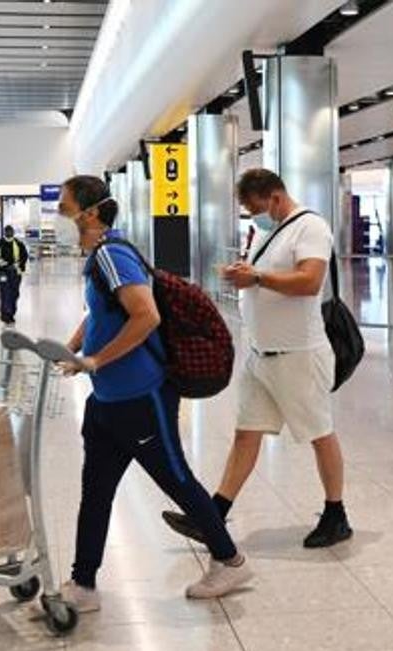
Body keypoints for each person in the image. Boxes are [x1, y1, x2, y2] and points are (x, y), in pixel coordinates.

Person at [57, 175, 253, 611]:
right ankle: (83, 584)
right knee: (96, 490)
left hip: (141, 398)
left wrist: (97, 361)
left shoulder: (112, 254)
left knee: (176, 480)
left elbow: (146, 317)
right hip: (107, 402)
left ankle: (230, 560)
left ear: (89, 213)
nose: (60, 216)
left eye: (65, 207)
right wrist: (71, 349)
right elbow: (100, 312)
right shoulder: (100, 258)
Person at [161, 168, 352, 549]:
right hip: (260, 353)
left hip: (299, 354)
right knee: (246, 433)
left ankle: (336, 514)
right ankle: (213, 514)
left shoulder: (310, 227)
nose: (253, 215)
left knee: (319, 433)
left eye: (254, 207)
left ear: (275, 198)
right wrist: (244, 274)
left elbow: (310, 281)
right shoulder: (268, 230)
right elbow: (261, 274)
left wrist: (258, 279)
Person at [0, 225, 29, 325]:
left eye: (11, 231)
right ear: (4, 232)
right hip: (3, 273)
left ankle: (11, 313)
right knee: (5, 292)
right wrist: (0, 264)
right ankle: (5, 314)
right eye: (7, 231)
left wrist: (19, 264)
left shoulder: (19, 244)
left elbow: (24, 256)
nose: (9, 233)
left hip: (16, 272)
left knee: (14, 293)